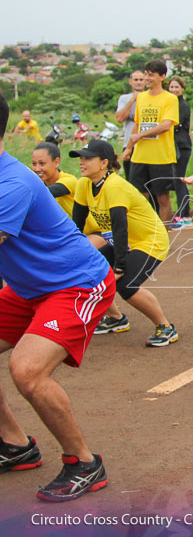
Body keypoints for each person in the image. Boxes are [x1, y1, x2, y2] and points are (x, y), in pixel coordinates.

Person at [0, 93, 116, 502]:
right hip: (29, 288)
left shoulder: (10, 184)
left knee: (27, 370)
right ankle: (15, 445)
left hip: (77, 283)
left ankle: (84, 462)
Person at [68, 139, 176, 345]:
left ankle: (166, 327)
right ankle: (117, 318)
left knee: (127, 285)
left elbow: (119, 229)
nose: (82, 162)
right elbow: (77, 225)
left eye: (88, 158)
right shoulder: (84, 184)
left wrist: (119, 266)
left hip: (149, 241)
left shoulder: (115, 186)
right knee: (91, 272)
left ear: (103, 163)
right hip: (124, 242)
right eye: (81, 158)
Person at [122, 59, 178, 224]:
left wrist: (141, 136)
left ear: (162, 77)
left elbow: (166, 125)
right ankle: (147, 230)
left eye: (151, 75)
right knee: (139, 197)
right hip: (140, 156)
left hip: (161, 157)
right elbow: (137, 125)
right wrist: (129, 148)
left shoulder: (170, 99)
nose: (147, 78)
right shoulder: (142, 98)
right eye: (146, 74)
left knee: (162, 198)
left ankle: (164, 237)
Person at [167, 76, 193, 229]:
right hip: (172, 146)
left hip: (182, 147)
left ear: (182, 88)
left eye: (177, 87)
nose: (174, 89)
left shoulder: (183, 105)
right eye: (172, 87)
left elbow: (174, 124)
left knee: (179, 179)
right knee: (178, 180)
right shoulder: (171, 104)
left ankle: (182, 215)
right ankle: (185, 214)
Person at [115, 69, 147, 181]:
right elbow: (120, 118)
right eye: (136, 80)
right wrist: (133, 99)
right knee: (131, 179)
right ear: (130, 81)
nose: (138, 82)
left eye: (141, 79)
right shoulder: (124, 98)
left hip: (146, 143)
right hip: (129, 142)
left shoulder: (150, 97)